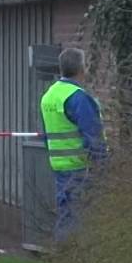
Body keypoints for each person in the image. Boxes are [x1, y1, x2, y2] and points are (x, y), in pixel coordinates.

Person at [40, 47, 107, 242]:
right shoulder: (77, 97)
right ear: (81, 69)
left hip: (60, 165)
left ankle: (65, 260)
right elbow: (93, 136)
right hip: (80, 166)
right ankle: (74, 260)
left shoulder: (49, 96)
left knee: (66, 214)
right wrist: (103, 166)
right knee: (80, 219)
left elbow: (47, 134)